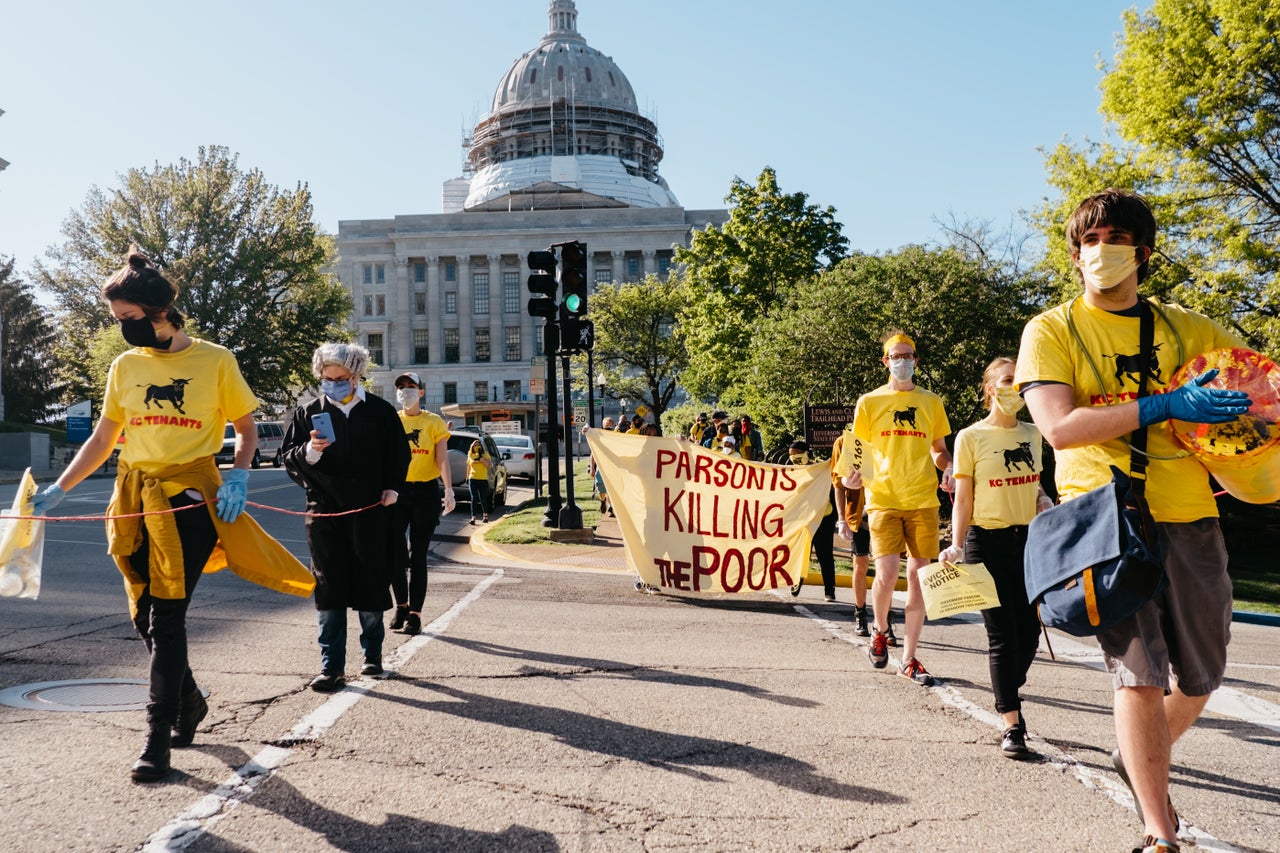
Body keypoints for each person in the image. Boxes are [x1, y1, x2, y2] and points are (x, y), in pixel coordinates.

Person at [1016, 189, 1252, 853]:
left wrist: (1251, 421)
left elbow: (1261, 388)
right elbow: (1060, 427)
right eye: (1088, 240)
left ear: (1143, 252)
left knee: (1202, 675)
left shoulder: (1190, 328)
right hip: (1103, 519)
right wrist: (1166, 403)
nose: (1100, 250)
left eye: (1115, 237)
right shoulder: (1053, 329)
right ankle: (1158, 831)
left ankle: (1137, 752)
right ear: (1074, 253)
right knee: (1140, 674)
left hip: (1191, 516)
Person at [29, 246, 314, 782]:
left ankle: (156, 738)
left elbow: (248, 429)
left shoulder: (215, 359)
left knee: (167, 616)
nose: (121, 329)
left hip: (190, 496)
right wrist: (61, 489)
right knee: (143, 616)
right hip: (134, 497)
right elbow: (104, 435)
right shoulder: (126, 365)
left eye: (127, 319)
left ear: (159, 312)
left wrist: (238, 473)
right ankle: (190, 698)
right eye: (117, 321)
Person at [940, 356, 1054, 760]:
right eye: (1007, 381)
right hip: (984, 542)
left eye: (1019, 382)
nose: (1015, 388)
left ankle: (1006, 685)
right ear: (990, 388)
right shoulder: (970, 437)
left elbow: (1035, 482)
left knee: (1030, 636)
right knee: (1003, 636)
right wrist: (956, 542)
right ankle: (1012, 724)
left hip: (1028, 544)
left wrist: (1042, 499)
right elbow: (964, 497)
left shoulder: (1034, 433)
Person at [282, 343, 410, 693]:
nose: (334, 384)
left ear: (357, 376)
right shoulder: (307, 413)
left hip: (371, 511)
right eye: (327, 378)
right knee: (329, 587)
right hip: (324, 512)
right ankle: (331, 666)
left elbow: (398, 456)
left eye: (341, 378)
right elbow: (289, 458)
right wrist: (310, 452)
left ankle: (372, 656)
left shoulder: (381, 412)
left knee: (371, 580)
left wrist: (392, 489)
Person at [845, 331, 954, 686]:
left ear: (916, 361)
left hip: (923, 500)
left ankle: (908, 657)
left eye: (908, 355)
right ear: (885, 361)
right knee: (888, 574)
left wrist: (948, 467)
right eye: (896, 355)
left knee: (919, 580)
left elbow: (938, 448)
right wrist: (852, 477)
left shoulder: (931, 402)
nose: (902, 361)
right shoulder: (870, 402)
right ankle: (879, 629)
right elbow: (857, 451)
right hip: (883, 500)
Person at [390, 371, 453, 636]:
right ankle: (401, 605)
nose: (406, 391)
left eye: (411, 386)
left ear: (421, 392)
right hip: (397, 493)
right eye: (402, 387)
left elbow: (441, 459)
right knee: (393, 553)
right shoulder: (391, 421)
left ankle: (414, 615)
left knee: (418, 555)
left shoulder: (433, 422)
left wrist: (448, 490)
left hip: (425, 493)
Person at [830, 433, 871, 634]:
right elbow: (838, 484)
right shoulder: (844, 443)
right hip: (858, 515)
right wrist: (841, 519)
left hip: (886, 511)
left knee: (886, 568)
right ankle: (860, 614)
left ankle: (886, 622)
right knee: (860, 564)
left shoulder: (885, 437)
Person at [465, 439, 494, 523]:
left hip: (482, 479)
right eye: (475, 445)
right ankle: (473, 517)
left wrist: (481, 458)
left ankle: (485, 516)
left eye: (478, 445)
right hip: (472, 478)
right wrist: (467, 477)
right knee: (474, 498)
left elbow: (488, 465)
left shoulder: (485, 454)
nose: (477, 447)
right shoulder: (470, 454)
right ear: (472, 447)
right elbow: (468, 467)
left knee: (483, 498)